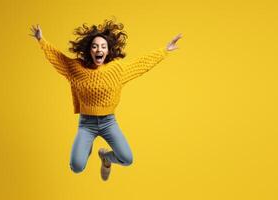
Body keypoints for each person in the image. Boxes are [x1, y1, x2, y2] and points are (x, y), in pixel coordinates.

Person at [30, 19, 181, 181]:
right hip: (86, 124)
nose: (99, 49)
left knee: (127, 159)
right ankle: (86, 148)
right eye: (95, 46)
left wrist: (164, 50)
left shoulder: (116, 70)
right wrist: (41, 40)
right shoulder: (76, 69)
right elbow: (59, 58)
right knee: (76, 167)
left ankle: (106, 158)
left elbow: (141, 64)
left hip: (109, 122)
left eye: (103, 46)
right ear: (89, 50)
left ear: (108, 51)